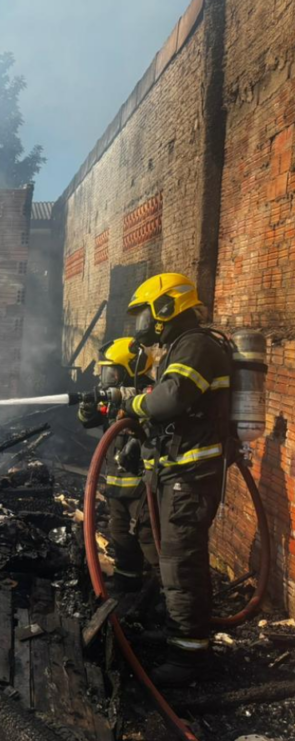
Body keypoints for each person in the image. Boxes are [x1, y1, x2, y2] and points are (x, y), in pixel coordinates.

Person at [118, 272, 231, 685]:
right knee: (171, 556)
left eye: (144, 313)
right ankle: (175, 629)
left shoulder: (197, 345)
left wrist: (133, 402)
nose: (141, 323)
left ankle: (189, 658)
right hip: (176, 469)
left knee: (181, 560)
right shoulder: (179, 348)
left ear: (167, 307)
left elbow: (171, 399)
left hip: (191, 472)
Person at [78, 338, 157, 594]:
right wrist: (87, 406)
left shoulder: (150, 397)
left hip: (143, 488)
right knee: (120, 535)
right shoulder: (115, 398)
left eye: (111, 372)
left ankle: (165, 596)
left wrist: (136, 442)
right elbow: (88, 421)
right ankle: (127, 588)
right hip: (115, 485)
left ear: (129, 371)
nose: (106, 378)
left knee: (149, 539)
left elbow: (154, 428)